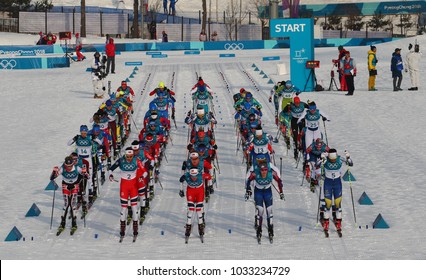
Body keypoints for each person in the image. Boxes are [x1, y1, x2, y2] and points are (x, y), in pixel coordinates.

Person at [109, 147, 146, 240]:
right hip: (124, 187)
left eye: (130, 156)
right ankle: (122, 230)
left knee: (134, 208)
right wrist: (110, 175)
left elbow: (145, 171)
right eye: (127, 157)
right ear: (125, 155)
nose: (129, 159)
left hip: (133, 186)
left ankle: (135, 229)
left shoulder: (136, 160)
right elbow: (111, 169)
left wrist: (141, 177)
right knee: (123, 209)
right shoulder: (121, 160)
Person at [245, 162, 284, 242]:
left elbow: (279, 181)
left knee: (269, 211)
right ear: (259, 170)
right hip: (258, 192)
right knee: (260, 211)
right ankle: (259, 230)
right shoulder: (255, 173)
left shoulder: (271, 173)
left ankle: (270, 230)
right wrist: (248, 189)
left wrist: (281, 192)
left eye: (265, 170)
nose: (264, 172)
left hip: (267, 192)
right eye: (262, 170)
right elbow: (248, 180)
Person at [318, 149, 353, 235]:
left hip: (337, 183)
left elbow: (350, 164)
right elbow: (317, 164)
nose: (333, 161)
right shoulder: (325, 159)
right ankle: (326, 223)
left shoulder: (339, 159)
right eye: (331, 159)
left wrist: (348, 157)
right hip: (328, 183)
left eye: (334, 159)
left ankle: (338, 222)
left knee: (338, 204)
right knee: (328, 204)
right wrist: (321, 158)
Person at [51, 156, 89, 234]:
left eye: (70, 166)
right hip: (66, 186)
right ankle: (62, 223)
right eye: (67, 166)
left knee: (72, 204)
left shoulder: (77, 168)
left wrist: (85, 172)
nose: (68, 167)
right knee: (66, 204)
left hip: (75, 185)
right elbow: (52, 178)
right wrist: (53, 172)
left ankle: (74, 223)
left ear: (73, 164)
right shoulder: (62, 168)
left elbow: (87, 176)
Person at [179, 152, 212, 240]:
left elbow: (209, 176)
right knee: (190, 210)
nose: (193, 178)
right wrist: (181, 189)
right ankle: (188, 226)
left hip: (200, 191)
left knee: (198, 210)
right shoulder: (187, 175)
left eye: (195, 175)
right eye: (192, 176)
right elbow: (181, 179)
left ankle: (200, 226)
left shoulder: (201, 174)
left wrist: (210, 186)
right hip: (190, 191)